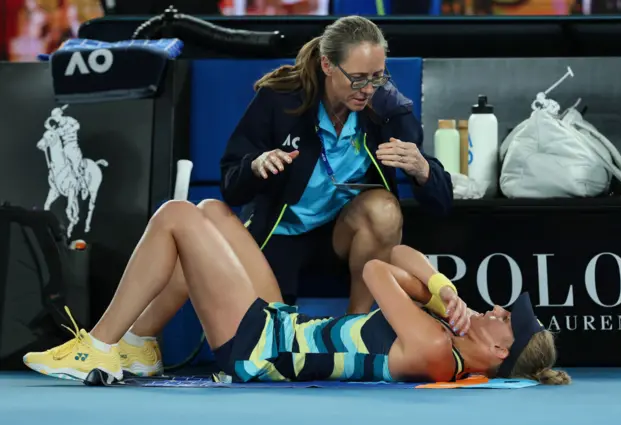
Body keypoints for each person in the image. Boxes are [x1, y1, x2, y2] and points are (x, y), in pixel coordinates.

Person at [23, 199, 569, 385]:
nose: (499, 309)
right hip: (284, 326)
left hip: (263, 352)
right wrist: (442, 287)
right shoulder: (444, 335)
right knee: (213, 214)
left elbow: (379, 267)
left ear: (500, 351)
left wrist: (436, 301)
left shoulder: (434, 351)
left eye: (506, 318)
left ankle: (97, 344)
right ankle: (140, 345)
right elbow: (403, 261)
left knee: (177, 218)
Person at [220, 16, 453, 315]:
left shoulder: (386, 108)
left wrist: (424, 171)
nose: (368, 89)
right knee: (270, 345)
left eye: (377, 76)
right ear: (328, 66)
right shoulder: (280, 100)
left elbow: (442, 204)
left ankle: (357, 328)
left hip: (346, 235)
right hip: (281, 232)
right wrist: (255, 166)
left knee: (383, 208)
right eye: (357, 78)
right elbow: (230, 184)